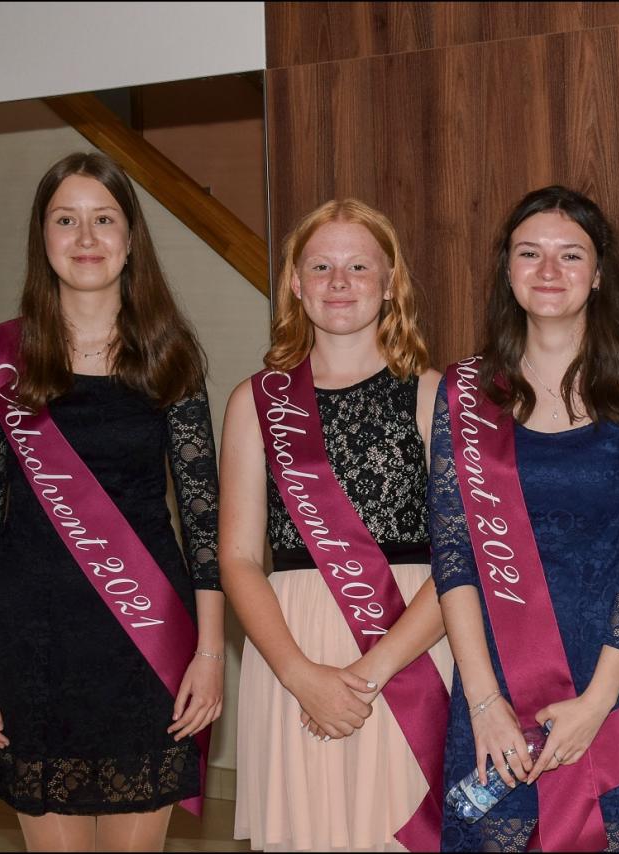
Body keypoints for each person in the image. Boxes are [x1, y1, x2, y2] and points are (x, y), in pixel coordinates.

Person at [0, 151, 223, 852]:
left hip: (144, 636)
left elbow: (204, 523)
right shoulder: (4, 364)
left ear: (130, 237)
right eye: (65, 220)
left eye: (104, 219)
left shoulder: (170, 356)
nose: (86, 237)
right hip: (30, 643)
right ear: (42, 238)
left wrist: (210, 653)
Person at [428, 185, 619, 851]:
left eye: (570, 255)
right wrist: (484, 703)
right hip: (494, 689)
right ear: (507, 270)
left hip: (610, 684)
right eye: (529, 253)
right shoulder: (465, 395)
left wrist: (596, 703)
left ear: (598, 275)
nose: (548, 270)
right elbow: (453, 556)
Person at [221, 198, 452, 852]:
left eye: (359, 266)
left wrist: (372, 672)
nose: (340, 282)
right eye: (321, 266)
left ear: (390, 283)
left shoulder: (435, 395)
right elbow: (238, 559)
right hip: (293, 651)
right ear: (296, 283)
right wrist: (301, 675)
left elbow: (461, 556)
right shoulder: (255, 402)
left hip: (409, 645)